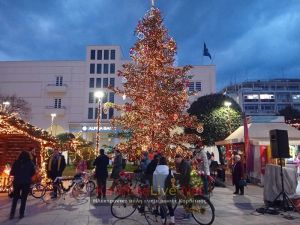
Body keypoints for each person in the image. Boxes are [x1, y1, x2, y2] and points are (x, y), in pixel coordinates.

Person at [9, 151, 35, 219]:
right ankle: (21, 213)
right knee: (24, 199)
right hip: (26, 182)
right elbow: (33, 172)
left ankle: (12, 214)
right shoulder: (30, 163)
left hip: (17, 182)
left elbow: (12, 172)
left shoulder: (16, 162)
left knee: (15, 198)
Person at [152, 157, 176, 225]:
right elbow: (172, 180)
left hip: (160, 190)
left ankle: (163, 222)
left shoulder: (156, 170)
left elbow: (154, 182)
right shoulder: (169, 170)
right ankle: (172, 221)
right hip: (168, 190)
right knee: (169, 206)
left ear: (159, 162)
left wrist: (155, 190)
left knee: (161, 206)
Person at [175, 154, 191, 221]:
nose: (176, 161)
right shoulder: (181, 163)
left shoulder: (184, 164)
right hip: (186, 182)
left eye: (177, 159)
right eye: (176, 159)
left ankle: (188, 214)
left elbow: (183, 175)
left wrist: (179, 184)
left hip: (187, 183)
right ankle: (187, 212)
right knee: (185, 198)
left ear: (181, 158)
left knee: (185, 198)